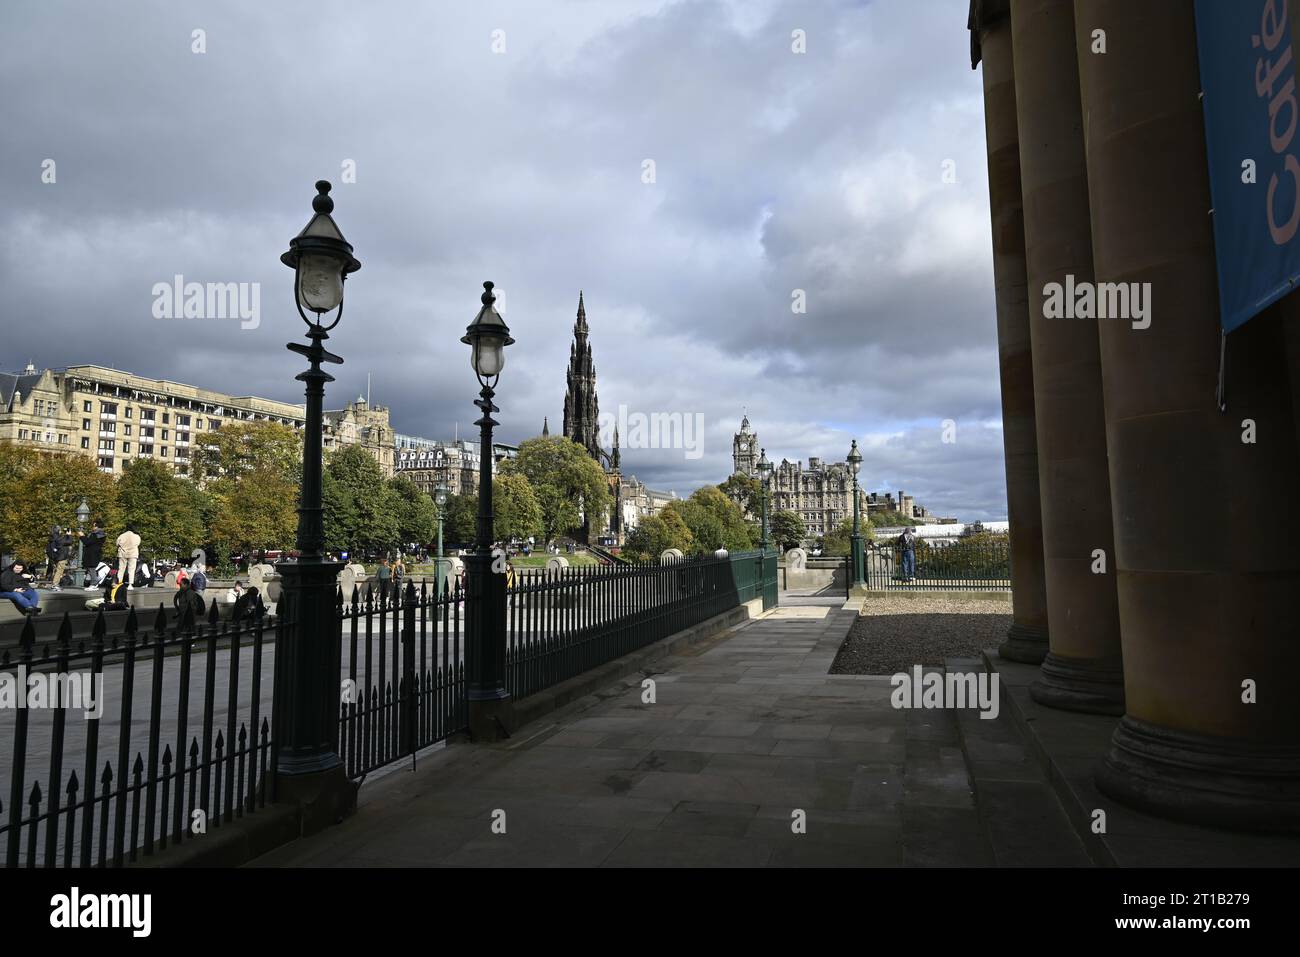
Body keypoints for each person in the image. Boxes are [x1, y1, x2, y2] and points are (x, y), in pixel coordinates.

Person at [116, 525, 141, 589]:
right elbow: (138, 543)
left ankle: (119, 583)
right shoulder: (136, 536)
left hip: (122, 553)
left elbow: (117, 544)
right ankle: (130, 584)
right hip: (133, 553)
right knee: (131, 569)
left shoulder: (121, 535)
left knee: (121, 569)